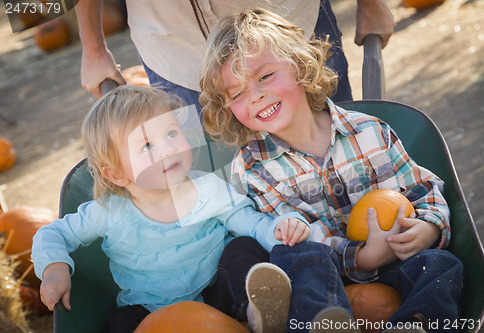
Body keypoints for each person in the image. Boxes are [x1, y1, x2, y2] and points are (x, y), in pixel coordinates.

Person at [199, 8, 464, 333]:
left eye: (265, 76)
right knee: (296, 251)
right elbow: (302, 237)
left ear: (299, 64)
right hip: (318, 284)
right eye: (237, 93)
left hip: (398, 261)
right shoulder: (254, 167)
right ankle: (320, 325)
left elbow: (423, 192)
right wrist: (363, 257)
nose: (255, 96)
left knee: (442, 265)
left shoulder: (369, 132)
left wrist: (428, 229)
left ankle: (414, 326)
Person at [31, 85, 311, 333]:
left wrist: (278, 228)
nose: (168, 149)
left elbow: (251, 222)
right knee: (121, 322)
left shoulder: (207, 188)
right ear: (116, 174)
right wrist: (55, 268)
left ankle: (257, 316)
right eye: (148, 145)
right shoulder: (108, 212)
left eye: (171, 133)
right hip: (156, 315)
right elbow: (53, 233)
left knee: (243, 248)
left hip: (220, 294)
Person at [75, 0, 395, 108]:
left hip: (289, 24)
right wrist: (92, 45)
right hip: (175, 52)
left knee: (344, 165)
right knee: (221, 199)